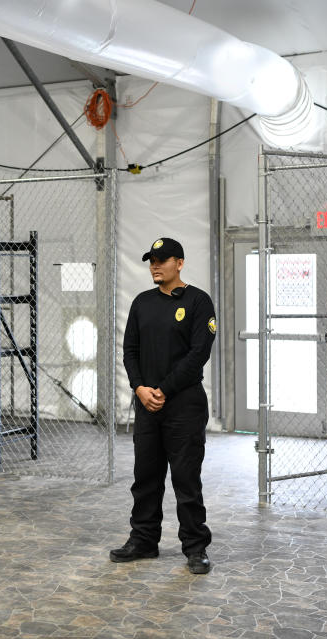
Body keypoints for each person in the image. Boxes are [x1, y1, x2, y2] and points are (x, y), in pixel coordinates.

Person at [111, 237, 218, 574]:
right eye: (151, 261)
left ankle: (196, 548)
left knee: (186, 479)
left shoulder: (199, 302)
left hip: (184, 406)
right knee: (145, 477)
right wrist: (140, 388)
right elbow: (130, 351)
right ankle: (143, 540)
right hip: (147, 405)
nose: (155, 266)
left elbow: (198, 353)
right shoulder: (142, 303)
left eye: (162, 260)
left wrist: (162, 390)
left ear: (180, 263)